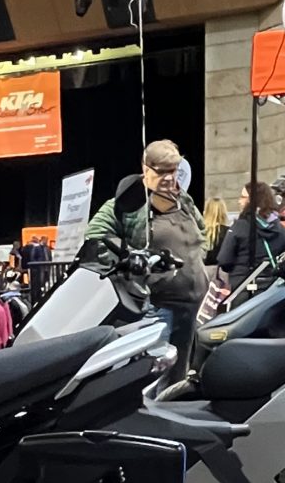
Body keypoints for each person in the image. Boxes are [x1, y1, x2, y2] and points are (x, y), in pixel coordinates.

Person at [82, 139, 208, 359]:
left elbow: (201, 232)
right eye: (161, 171)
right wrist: (131, 259)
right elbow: (95, 234)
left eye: (173, 170)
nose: (168, 177)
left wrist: (197, 259)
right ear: (146, 169)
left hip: (192, 305)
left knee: (181, 370)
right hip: (158, 306)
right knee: (154, 369)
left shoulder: (182, 200)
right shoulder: (129, 202)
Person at [215, 180, 285, 287]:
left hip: (242, 286)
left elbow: (224, 261)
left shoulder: (239, 227)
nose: (239, 201)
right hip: (272, 287)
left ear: (253, 200)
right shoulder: (280, 229)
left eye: (243, 197)